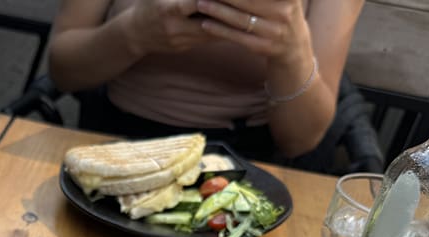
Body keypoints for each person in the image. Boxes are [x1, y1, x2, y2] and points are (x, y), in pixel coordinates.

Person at [47, 0, 365, 164]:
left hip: (242, 164)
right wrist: (133, 33)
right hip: (110, 143)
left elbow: (300, 140)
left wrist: (290, 54)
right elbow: (63, 70)